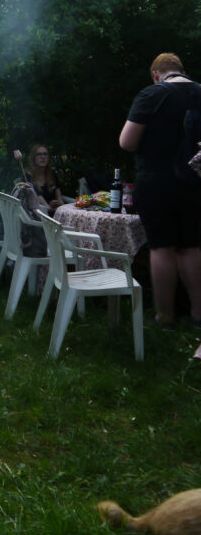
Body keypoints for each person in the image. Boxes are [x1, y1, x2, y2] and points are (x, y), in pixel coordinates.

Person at [119, 52, 201, 329]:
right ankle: (198, 314)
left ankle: (165, 317)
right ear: (182, 71)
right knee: (191, 246)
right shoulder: (199, 93)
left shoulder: (152, 95)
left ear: (156, 73)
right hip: (194, 181)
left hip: (156, 182)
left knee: (162, 247)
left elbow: (127, 142)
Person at [26, 143, 64, 212]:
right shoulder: (28, 176)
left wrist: (57, 204)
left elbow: (60, 199)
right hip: (39, 216)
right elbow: (37, 197)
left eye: (45, 154)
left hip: (55, 211)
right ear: (33, 158)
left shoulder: (52, 174)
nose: (43, 157)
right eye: (39, 154)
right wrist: (49, 207)